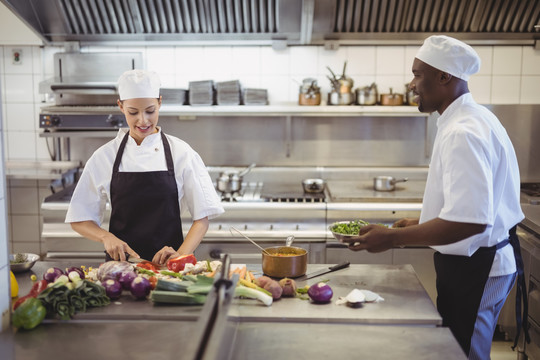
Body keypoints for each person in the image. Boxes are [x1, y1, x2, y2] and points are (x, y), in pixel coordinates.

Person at [342, 35, 528, 360]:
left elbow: (470, 220)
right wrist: (419, 223)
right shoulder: (471, 118)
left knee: (464, 354)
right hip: (475, 262)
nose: (412, 84)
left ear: (444, 76)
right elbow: (476, 207)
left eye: (418, 74)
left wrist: (395, 238)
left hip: (478, 267)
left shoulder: (462, 132)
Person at [66, 69, 224, 265]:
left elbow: (202, 218)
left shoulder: (182, 153)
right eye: (133, 112)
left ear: (160, 102)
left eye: (150, 111)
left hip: (169, 270)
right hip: (120, 268)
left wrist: (180, 254)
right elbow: (79, 218)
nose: (143, 120)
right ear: (121, 106)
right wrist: (106, 237)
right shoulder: (104, 157)